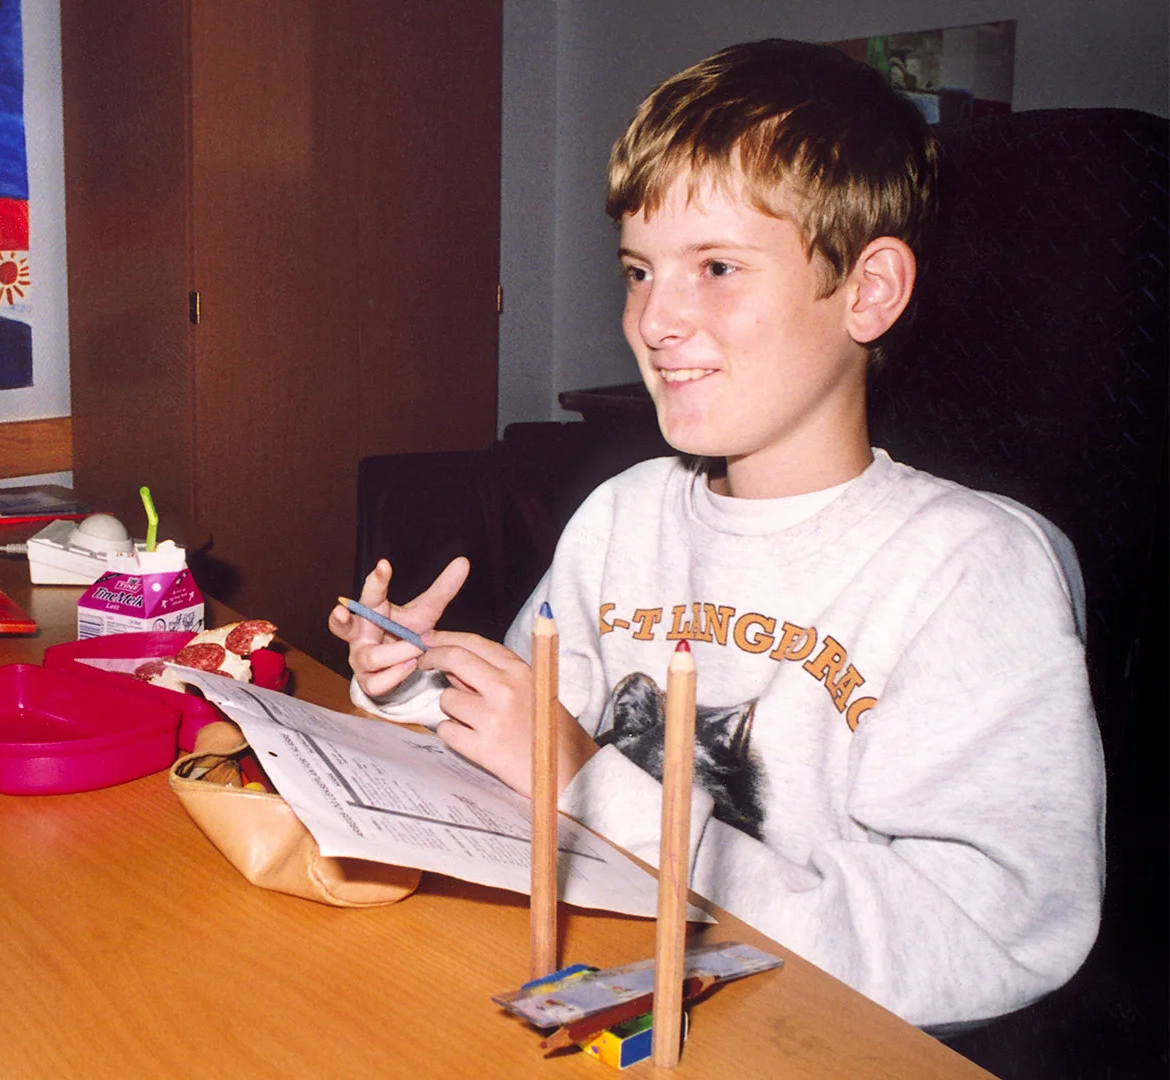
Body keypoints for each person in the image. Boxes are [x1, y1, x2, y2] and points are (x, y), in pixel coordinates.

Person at [329, 38, 1103, 1033]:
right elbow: (531, 742)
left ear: (867, 292)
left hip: (807, 1033)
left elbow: (988, 942)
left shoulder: (970, 571)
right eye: (640, 270)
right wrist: (418, 680)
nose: (654, 319)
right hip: (611, 971)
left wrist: (585, 783)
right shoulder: (626, 512)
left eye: (719, 267)